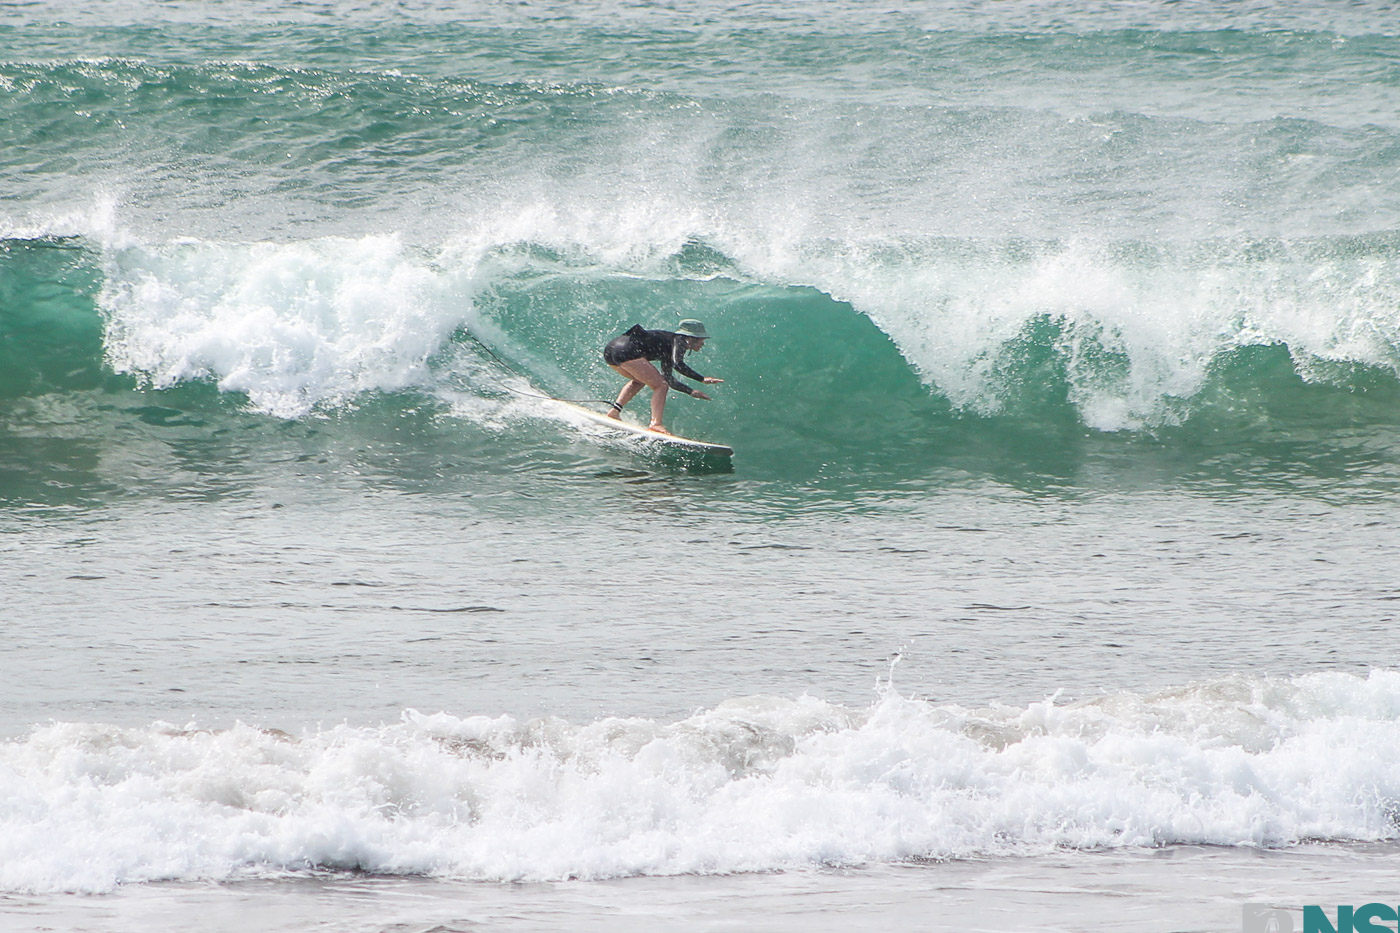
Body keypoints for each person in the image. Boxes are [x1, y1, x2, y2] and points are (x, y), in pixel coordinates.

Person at [602, 319, 723, 434]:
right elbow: (678, 364)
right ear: (691, 338)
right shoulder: (680, 340)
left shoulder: (670, 344)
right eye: (702, 339)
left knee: (640, 381)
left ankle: (614, 412)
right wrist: (702, 379)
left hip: (611, 349)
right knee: (661, 386)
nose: (703, 343)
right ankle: (656, 424)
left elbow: (669, 379)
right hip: (626, 349)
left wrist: (691, 391)